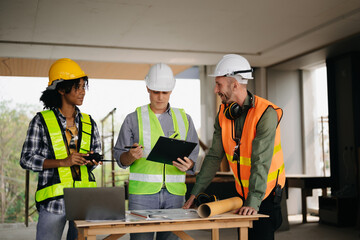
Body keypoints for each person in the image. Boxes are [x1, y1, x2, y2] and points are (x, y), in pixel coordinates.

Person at [183, 54, 286, 240]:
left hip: (266, 194)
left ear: (235, 85)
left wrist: (253, 202)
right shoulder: (223, 113)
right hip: (243, 193)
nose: (215, 90)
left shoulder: (265, 113)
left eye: (219, 84)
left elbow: (260, 160)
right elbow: (214, 156)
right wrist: (195, 192)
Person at [114, 63, 199, 240]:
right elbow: (120, 158)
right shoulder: (133, 119)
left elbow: (193, 156)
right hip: (142, 195)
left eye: (165, 93)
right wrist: (129, 156)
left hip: (175, 194)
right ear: (147, 88)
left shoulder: (185, 119)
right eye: (155, 92)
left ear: (171, 91)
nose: (160, 97)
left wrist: (189, 164)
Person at [20, 58, 102, 240]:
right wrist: (63, 162)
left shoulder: (89, 122)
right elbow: (26, 159)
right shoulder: (41, 121)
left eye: (83, 87)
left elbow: (94, 158)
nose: (82, 92)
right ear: (61, 89)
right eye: (77, 87)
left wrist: (91, 160)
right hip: (53, 204)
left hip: (83, 202)